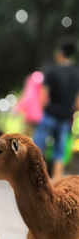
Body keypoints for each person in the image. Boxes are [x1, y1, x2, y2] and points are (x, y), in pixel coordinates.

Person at [33, 40, 79, 182]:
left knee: (38, 147)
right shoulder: (77, 73)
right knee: (59, 150)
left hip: (49, 115)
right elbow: (77, 101)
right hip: (65, 117)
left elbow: (43, 95)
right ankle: (57, 181)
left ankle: (34, 178)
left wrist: (41, 111)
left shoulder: (52, 71)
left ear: (60, 53)